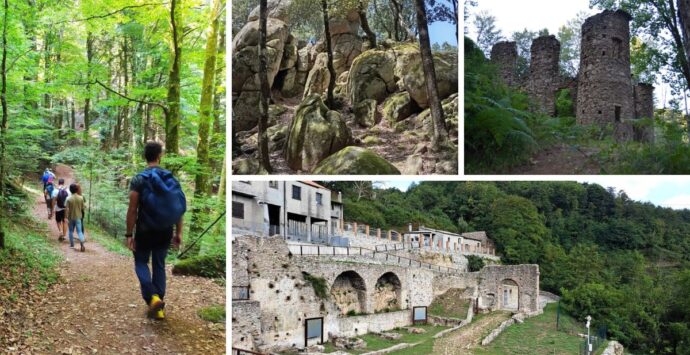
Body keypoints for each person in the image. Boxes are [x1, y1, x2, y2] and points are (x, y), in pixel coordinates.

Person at [126, 142, 186, 320]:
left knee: (141, 263)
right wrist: (178, 232)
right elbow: (177, 209)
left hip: (145, 230)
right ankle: (158, 305)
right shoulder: (171, 179)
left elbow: (132, 209)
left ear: (145, 156)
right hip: (165, 231)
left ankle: (152, 298)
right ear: (160, 156)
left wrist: (129, 234)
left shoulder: (139, 179)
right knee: (159, 265)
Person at [65, 183, 86, 252]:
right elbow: (83, 208)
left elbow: (66, 209)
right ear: (77, 189)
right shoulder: (81, 198)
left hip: (71, 217)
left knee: (71, 231)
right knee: (79, 231)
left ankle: (72, 245)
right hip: (78, 217)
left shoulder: (68, 198)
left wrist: (66, 217)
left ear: (70, 190)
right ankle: (82, 243)